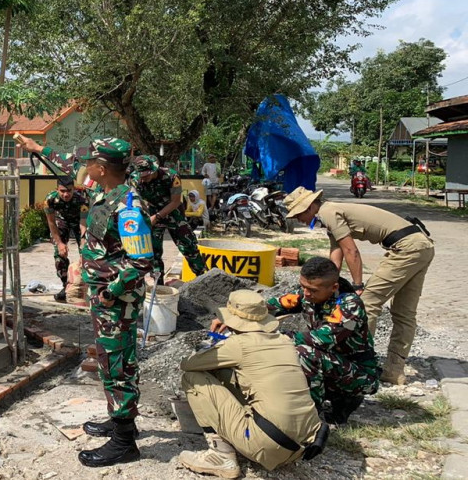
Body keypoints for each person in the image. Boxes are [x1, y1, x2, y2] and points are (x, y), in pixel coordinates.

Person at [284, 186, 434, 385]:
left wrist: (357, 286)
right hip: (421, 245)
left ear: (310, 206)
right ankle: (394, 370)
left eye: (299, 214)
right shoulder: (330, 214)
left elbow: (351, 251)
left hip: (406, 248)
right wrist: (331, 283)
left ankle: (361, 366)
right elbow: (336, 253)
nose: (298, 219)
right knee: (404, 313)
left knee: (366, 304)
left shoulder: (328, 212)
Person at [180, 291, 324, 478]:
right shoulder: (284, 341)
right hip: (302, 446)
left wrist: (212, 340)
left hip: (267, 445)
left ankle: (221, 455)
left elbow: (188, 364)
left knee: (192, 378)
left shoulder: (238, 345)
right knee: (228, 374)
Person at [75, 138, 152, 467]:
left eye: (89, 163)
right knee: (112, 362)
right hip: (106, 298)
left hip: (116, 301)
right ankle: (120, 422)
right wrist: (37, 151)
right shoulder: (105, 192)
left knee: (118, 365)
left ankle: (124, 443)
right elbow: (70, 168)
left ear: (102, 168)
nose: (84, 167)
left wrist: (110, 292)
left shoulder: (128, 207)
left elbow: (141, 262)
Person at [265, 256, 379, 424]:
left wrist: (278, 336)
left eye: (312, 290)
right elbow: (272, 305)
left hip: (360, 374)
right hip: (330, 365)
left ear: (334, 287)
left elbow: (323, 339)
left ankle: (310, 418)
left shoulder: (349, 305)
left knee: (302, 353)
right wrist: (239, 315)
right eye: (303, 286)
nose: (305, 293)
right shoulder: (308, 295)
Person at [132, 155, 207, 277]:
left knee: (188, 246)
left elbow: (176, 201)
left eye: (146, 176)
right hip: (152, 212)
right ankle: (158, 283)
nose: (144, 179)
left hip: (174, 212)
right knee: (153, 252)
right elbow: (137, 200)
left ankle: (203, 277)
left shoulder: (172, 176)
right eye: (141, 176)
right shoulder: (135, 179)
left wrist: (157, 217)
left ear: (154, 170)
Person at [43, 176, 89, 302]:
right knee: (59, 256)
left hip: (78, 222)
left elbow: (83, 224)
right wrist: (60, 244)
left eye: (69, 190)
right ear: (57, 189)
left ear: (74, 189)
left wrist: (83, 244)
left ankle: (87, 287)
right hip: (61, 221)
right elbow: (51, 223)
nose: (66, 194)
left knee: (86, 254)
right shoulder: (50, 200)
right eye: (62, 191)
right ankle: (66, 286)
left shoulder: (82, 200)